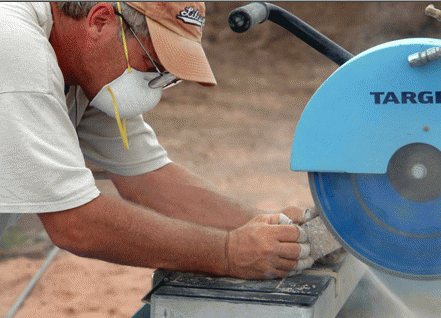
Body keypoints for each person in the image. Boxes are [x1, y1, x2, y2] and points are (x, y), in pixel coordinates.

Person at [0, 2, 315, 280]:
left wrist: (272, 231)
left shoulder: (86, 70)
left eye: (167, 76)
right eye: (151, 66)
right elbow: (74, 224)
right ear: (99, 21)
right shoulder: (16, 49)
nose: (152, 87)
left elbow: (149, 179)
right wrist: (228, 253)